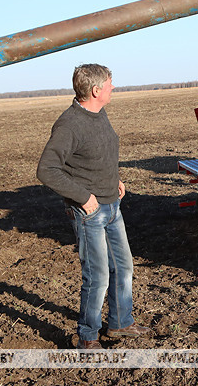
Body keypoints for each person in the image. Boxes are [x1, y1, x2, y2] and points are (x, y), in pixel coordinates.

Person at [36, 64, 150, 349]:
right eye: (110, 84)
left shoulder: (99, 113)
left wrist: (115, 179)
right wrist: (84, 197)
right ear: (96, 90)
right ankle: (87, 336)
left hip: (113, 205)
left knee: (123, 267)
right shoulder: (70, 124)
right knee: (97, 276)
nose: (114, 87)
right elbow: (47, 169)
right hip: (89, 212)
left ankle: (121, 323)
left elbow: (99, 151)